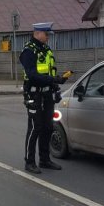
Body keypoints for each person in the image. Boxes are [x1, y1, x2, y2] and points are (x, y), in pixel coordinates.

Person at [19, 22, 66, 174]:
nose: (48, 38)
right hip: (34, 94)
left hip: (47, 94)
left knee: (48, 127)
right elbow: (32, 74)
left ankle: (44, 159)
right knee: (35, 128)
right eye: (46, 35)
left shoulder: (46, 50)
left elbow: (50, 72)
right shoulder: (28, 51)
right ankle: (29, 161)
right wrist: (52, 80)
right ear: (37, 33)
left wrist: (56, 87)